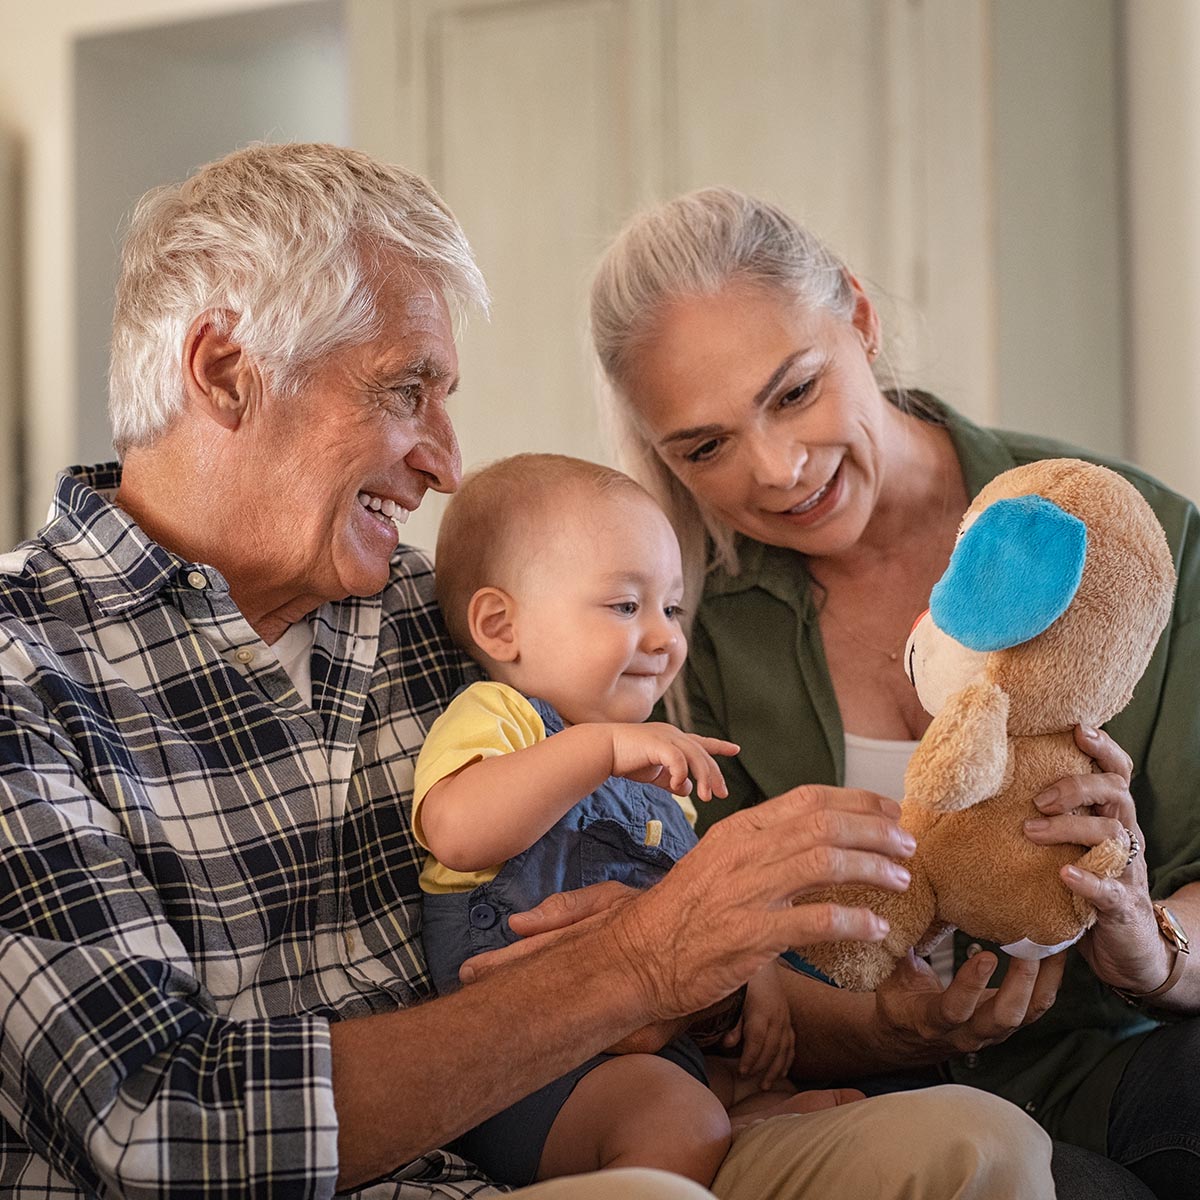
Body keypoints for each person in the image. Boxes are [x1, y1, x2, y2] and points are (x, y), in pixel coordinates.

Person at [0, 142, 1056, 1199]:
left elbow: (647, 925)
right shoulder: (22, 669)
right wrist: (629, 967)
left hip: (567, 1139)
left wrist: (731, 998)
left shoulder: (454, 616)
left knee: (975, 1145)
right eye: (408, 390)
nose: (447, 463)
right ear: (225, 372)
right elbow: (160, 1131)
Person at [589, 183, 1200, 1199]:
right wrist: (886, 1028)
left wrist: (1154, 945)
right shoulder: (671, 634)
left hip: (1123, 1061)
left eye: (793, 392)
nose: (779, 470)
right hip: (882, 1116)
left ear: (861, 322)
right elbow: (718, 974)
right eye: (705, 447)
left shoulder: (1131, 537)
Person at [416, 452, 814, 1188]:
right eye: (627, 607)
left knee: (805, 1104)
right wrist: (595, 749)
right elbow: (457, 830)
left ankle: (733, 1121)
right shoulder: (500, 717)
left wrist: (752, 974)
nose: (665, 639)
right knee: (679, 1120)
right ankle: (707, 1133)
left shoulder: (659, 783)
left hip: (651, 1059)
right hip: (528, 1073)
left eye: (672, 609)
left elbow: (696, 916)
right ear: (502, 626)